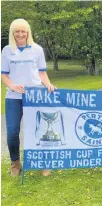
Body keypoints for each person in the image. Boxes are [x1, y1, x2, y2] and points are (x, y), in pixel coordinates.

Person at [1, 19, 56, 177]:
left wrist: (48, 84)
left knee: (38, 131)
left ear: (28, 32)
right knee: (12, 132)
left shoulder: (37, 49)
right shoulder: (6, 50)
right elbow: (4, 75)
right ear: (12, 33)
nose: (20, 34)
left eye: (23, 31)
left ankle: (42, 163)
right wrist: (11, 85)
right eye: (17, 31)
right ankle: (15, 162)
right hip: (13, 98)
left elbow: (42, 73)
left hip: (34, 97)